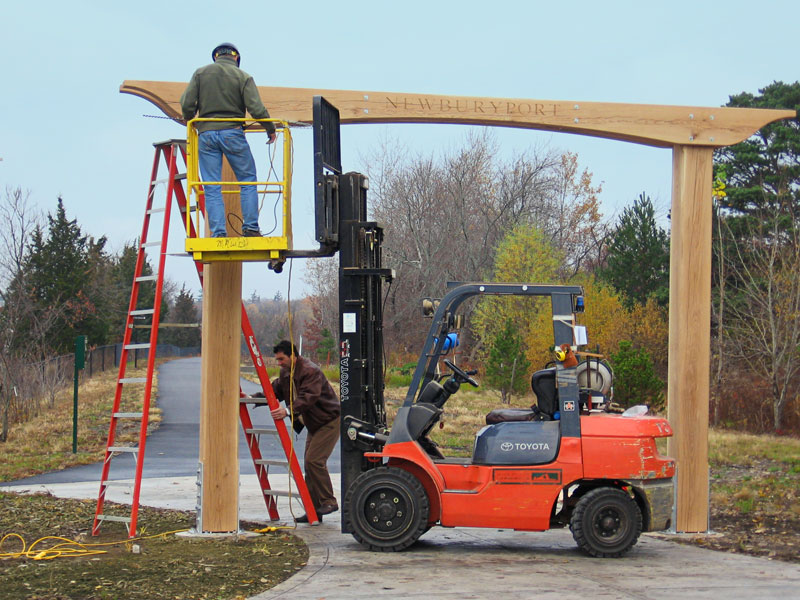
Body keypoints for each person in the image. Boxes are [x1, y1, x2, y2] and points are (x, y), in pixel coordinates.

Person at [180, 42, 277, 238]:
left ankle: (217, 233)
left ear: (216, 57)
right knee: (247, 180)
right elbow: (256, 108)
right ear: (236, 58)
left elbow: (187, 103)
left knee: (212, 184)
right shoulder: (243, 77)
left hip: (206, 135)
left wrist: (191, 119)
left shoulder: (200, 74)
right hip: (232, 133)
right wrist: (270, 129)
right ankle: (250, 228)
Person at [269, 340, 340, 522]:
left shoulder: (310, 371)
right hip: (314, 423)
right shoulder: (286, 372)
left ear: (293, 355)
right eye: (277, 359)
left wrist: (286, 411)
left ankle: (328, 501)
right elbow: (275, 390)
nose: (279, 363)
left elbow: (308, 397)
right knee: (309, 464)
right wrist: (253, 397)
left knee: (314, 461)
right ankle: (314, 509)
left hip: (329, 420)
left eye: (282, 359)